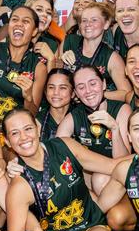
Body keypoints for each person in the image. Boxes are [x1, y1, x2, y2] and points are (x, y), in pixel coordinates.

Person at [4, 108, 119, 231]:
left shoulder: (64, 146)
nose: (24, 137)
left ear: (37, 129)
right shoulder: (18, 185)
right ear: (8, 141)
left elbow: (112, 166)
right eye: (14, 133)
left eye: (28, 129)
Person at [56, 66, 131, 194]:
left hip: (119, 178)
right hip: (91, 179)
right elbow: (57, 153)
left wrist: (115, 129)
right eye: (81, 87)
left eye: (93, 83)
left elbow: (123, 162)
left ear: (104, 84)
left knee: (99, 178)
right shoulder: (73, 117)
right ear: (76, 93)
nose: (88, 91)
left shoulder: (122, 110)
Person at [0, 6, 47, 119]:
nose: (19, 24)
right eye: (14, 19)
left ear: (34, 31)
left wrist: (28, 97)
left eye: (26, 21)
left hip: (12, 131)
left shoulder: (39, 68)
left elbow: (32, 115)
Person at [61, 3, 131, 101]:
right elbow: (53, 77)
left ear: (106, 24)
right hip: (66, 107)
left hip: (96, 110)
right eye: (84, 20)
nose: (88, 24)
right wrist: (60, 60)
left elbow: (126, 94)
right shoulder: (69, 41)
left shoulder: (111, 57)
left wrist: (94, 95)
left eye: (94, 20)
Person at [36, 69, 74, 142]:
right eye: (51, 87)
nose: (56, 92)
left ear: (73, 93)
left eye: (62, 88)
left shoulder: (80, 117)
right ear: (45, 91)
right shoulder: (37, 121)